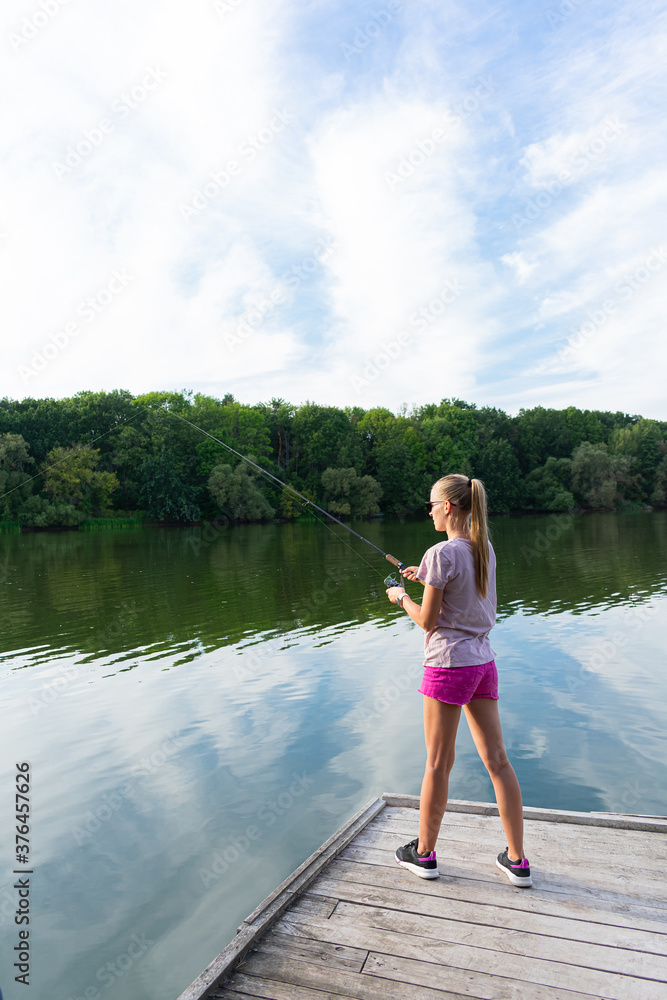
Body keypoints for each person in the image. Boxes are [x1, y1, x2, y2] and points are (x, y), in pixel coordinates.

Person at [386, 474, 532, 887]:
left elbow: (428, 621)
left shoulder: (441, 552)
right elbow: (459, 589)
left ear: (449, 506)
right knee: (498, 760)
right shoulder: (482, 547)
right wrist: (426, 577)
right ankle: (518, 862)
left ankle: (424, 854)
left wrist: (402, 598)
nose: (429, 510)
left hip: (449, 665)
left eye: (432, 504)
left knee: (438, 762)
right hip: (483, 662)